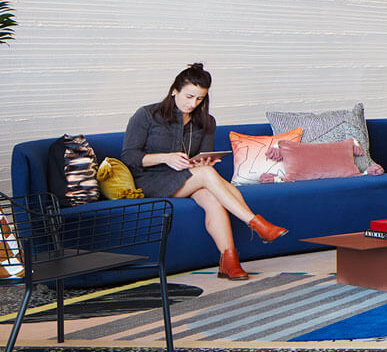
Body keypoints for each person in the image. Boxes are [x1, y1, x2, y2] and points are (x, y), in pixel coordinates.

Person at [122, 63, 289, 281]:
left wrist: (205, 161)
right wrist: (166, 158)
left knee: (212, 196)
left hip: (188, 178)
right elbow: (129, 156)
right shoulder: (147, 115)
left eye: (200, 98)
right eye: (189, 96)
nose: (193, 104)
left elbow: (203, 156)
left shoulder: (206, 121)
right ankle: (256, 224)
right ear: (175, 90)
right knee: (207, 176)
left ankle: (229, 261)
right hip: (151, 180)